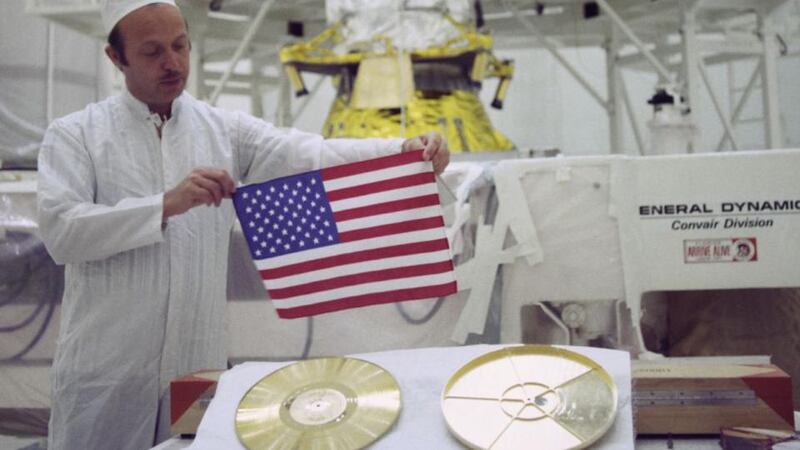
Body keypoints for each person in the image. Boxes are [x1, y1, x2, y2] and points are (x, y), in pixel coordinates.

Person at [36, 1, 449, 449]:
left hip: (195, 369)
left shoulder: (221, 131)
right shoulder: (75, 134)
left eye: (180, 46)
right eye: (153, 52)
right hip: (104, 377)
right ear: (116, 58)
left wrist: (400, 151)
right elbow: (63, 232)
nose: (172, 63)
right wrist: (165, 205)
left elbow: (307, 153)